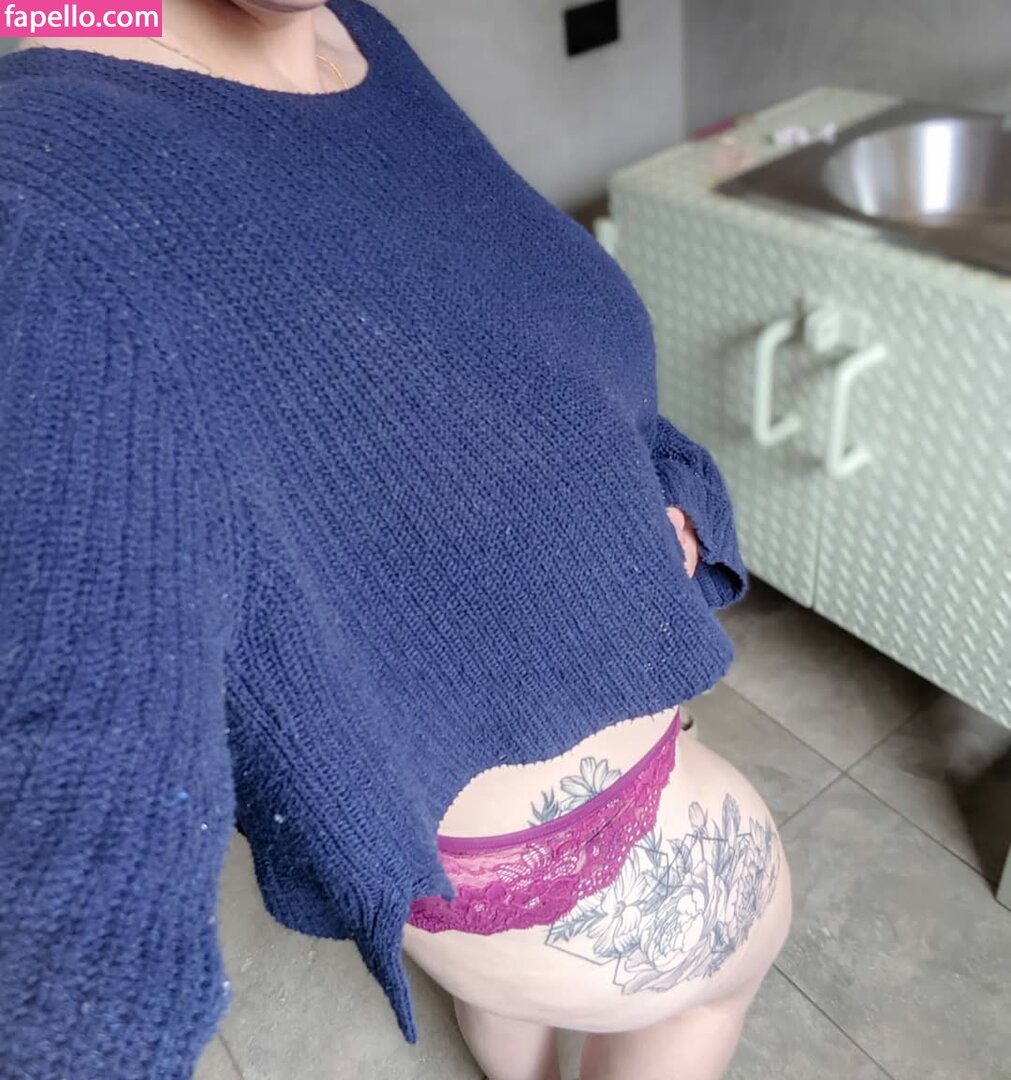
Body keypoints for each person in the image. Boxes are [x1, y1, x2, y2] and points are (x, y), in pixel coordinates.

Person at [0, 1, 791, 1078]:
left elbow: (516, 344)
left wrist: (656, 495)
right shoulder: (44, 219)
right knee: (717, 983)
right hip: (554, 858)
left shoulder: (348, 30)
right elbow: (70, 915)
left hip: (532, 818)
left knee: (510, 1021)